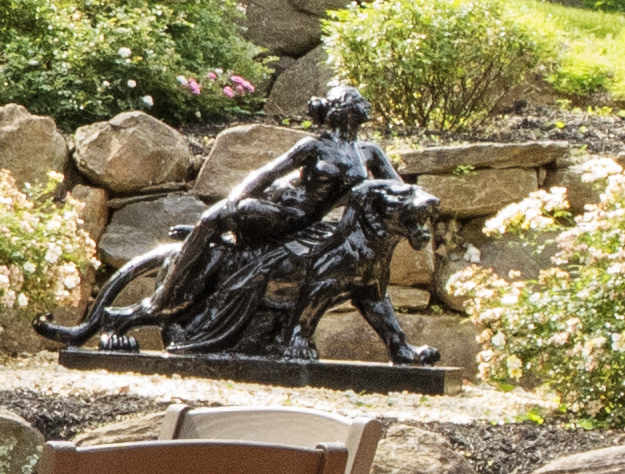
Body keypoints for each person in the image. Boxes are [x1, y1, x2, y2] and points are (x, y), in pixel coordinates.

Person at [77, 81, 431, 373]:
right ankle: (159, 298)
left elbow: (399, 188)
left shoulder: (368, 152)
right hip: (278, 211)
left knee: (366, 282)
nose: (358, 106)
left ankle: (399, 348)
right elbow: (266, 174)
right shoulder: (314, 145)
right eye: (351, 101)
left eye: (359, 102)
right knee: (215, 217)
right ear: (337, 110)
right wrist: (236, 201)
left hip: (306, 224)